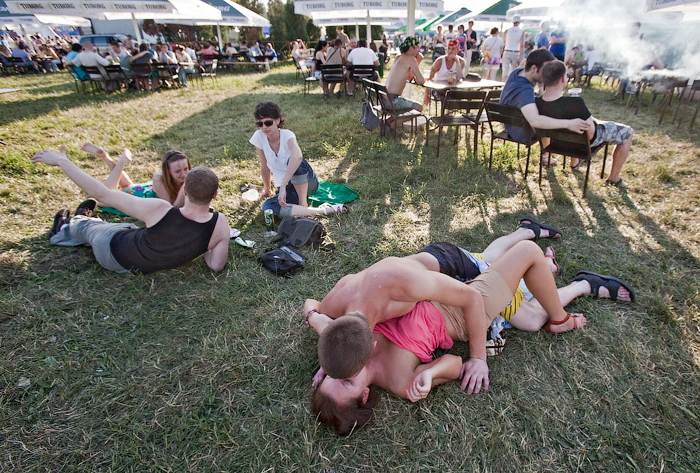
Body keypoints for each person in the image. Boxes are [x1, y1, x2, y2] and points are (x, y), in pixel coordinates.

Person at [308, 240, 634, 435]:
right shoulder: (396, 379)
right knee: (528, 274)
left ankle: (551, 291)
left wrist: (328, 355)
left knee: (519, 300)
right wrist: (436, 372)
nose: (343, 372)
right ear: (364, 395)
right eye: (346, 381)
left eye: (332, 374)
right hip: (456, 315)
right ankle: (568, 299)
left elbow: (314, 309)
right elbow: (452, 362)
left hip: (443, 285)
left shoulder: (344, 337)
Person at [32, 147, 230, 275]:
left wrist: (63, 162)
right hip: (136, 256)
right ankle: (82, 225)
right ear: (215, 194)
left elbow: (102, 194)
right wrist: (207, 243)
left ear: (185, 191)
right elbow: (216, 265)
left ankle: (67, 226)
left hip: (112, 251)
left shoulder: (160, 209)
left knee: (88, 227)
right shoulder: (220, 224)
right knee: (124, 227)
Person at [536, 60, 633, 187]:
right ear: (562, 80)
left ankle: (574, 161)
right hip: (582, 143)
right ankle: (614, 178)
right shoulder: (576, 103)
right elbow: (591, 133)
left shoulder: (536, 104)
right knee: (628, 132)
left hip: (557, 142)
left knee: (583, 126)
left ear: (543, 79)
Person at [249, 102, 348, 217]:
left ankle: (303, 205)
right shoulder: (259, 137)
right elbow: (265, 167)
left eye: (268, 123)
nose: (264, 127)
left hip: (306, 182)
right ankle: (323, 210)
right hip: (288, 189)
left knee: (294, 160)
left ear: (277, 120)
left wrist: (282, 186)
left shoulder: (287, 135)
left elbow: (298, 157)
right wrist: (267, 189)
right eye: (260, 124)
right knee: (268, 206)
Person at [499, 49, 590, 167]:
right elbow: (535, 121)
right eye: (546, 69)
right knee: (560, 114)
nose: (549, 72)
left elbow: (524, 63)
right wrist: (568, 124)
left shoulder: (518, 72)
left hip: (512, 122)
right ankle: (560, 158)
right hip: (521, 130)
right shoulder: (524, 91)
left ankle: (557, 157)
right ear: (533, 68)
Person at [80, 143, 193, 206]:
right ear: (167, 172)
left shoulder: (192, 176)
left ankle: (105, 157)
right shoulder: (159, 179)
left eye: (185, 169)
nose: (184, 174)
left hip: (142, 188)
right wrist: (184, 190)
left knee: (127, 185)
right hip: (140, 198)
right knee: (102, 199)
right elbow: (170, 210)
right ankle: (122, 162)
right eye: (177, 171)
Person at [384, 36, 425, 113]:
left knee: (407, 105)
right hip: (393, 100)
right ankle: (391, 125)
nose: (418, 51)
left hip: (384, 98)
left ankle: (388, 122)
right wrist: (418, 60)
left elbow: (409, 77)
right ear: (411, 48)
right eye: (417, 48)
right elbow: (421, 80)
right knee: (419, 107)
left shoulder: (398, 56)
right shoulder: (410, 58)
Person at [423, 39, 464, 105]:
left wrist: (456, 61)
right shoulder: (440, 61)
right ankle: (448, 113)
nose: (450, 51)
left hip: (453, 89)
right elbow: (429, 77)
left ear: (457, 50)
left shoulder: (460, 61)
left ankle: (450, 113)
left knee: (462, 93)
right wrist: (426, 94)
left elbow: (459, 77)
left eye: (453, 49)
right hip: (438, 89)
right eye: (449, 48)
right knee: (449, 95)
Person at [502, 15, 524, 81]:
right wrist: (520, 56)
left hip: (507, 50)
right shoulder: (521, 31)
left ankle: (503, 83)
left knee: (505, 70)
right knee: (513, 70)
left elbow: (502, 40)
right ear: (519, 22)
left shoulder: (507, 30)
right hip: (515, 51)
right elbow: (521, 45)